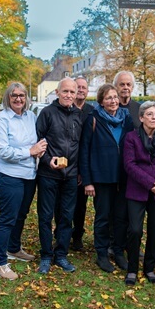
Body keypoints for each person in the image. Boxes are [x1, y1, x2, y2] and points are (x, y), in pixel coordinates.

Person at [0, 82, 47, 280]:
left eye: (22, 95)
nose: (18, 99)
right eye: (14, 95)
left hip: (28, 175)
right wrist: (30, 151)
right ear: (8, 97)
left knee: (21, 215)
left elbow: (38, 141)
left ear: (26, 98)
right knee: (7, 218)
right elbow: (4, 151)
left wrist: (40, 148)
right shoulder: (2, 119)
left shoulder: (31, 116)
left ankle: (13, 248)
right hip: (8, 175)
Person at [79, 84, 133, 273]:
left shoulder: (126, 119)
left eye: (115, 97)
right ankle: (101, 253)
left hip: (123, 178)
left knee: (120, 218)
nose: (113, 101)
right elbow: (84, 151)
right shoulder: (93, 119)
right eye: (109, 98)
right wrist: (87, 181)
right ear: (101, 101)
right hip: (101, 178)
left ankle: (118, 251)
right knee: (102, 218)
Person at [123, 101, 155, 286]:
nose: (154, 118)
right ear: (141, 117)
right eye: (150, 114)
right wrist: (150, 183)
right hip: (137, 190)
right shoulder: (131, 137)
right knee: (135, 230)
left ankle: (149, 268)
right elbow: (129, 164)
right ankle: (132, 269)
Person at [36, 77, 84, 274]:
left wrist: (80, 170)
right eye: (65, 91)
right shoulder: (47, 113)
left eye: (72, 92)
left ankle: (61, 255)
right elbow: (38, 140)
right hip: (48, 174)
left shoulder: (78, 116)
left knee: (66, 217)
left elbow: (81, 145)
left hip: (71, 176)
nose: (69, 95)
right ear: (57, 92)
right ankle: (46, 255)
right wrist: (48, 160)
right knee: (46, 216)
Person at [70, 77, 93, 251]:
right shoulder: (65, 109)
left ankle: (77, 236)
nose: (80, 90)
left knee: (80, 205)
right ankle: (61, 235)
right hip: (64, 166)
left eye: (84, 87)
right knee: (62, 204)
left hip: (83, 166)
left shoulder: (92, 112)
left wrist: (84, 172)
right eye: (77, 87)